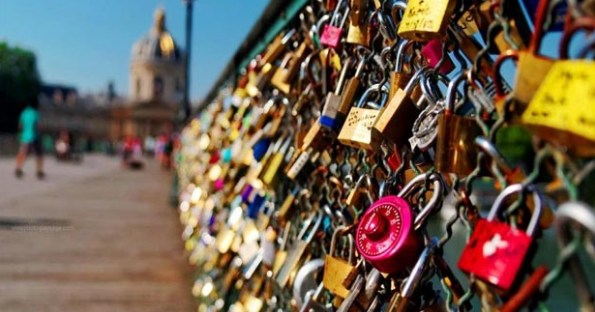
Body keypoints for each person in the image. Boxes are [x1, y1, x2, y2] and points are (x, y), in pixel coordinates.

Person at [14, 103, 45, 179]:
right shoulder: (35, 113)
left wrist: (22, 134)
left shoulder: (23, 113)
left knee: (22, 153)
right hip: (35, 136)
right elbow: (38, 125)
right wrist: (40, 133)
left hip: (25, 137)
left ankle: (18, 168)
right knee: (38, 154)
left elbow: (20, 125)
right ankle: (39, 171)